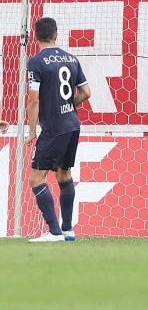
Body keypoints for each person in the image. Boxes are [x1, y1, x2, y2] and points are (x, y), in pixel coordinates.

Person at [25, 17, 91, 242]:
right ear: (56, 35)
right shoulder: (71, 59)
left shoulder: (36, 62)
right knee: (64, 175)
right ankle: (67, 230)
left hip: (53, 128)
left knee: (36, 179)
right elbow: (86, 92)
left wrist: (32, 131)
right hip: (72, 124)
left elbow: (33, 101)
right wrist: (68, 106)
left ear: (36, 36)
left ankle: (54, 232)